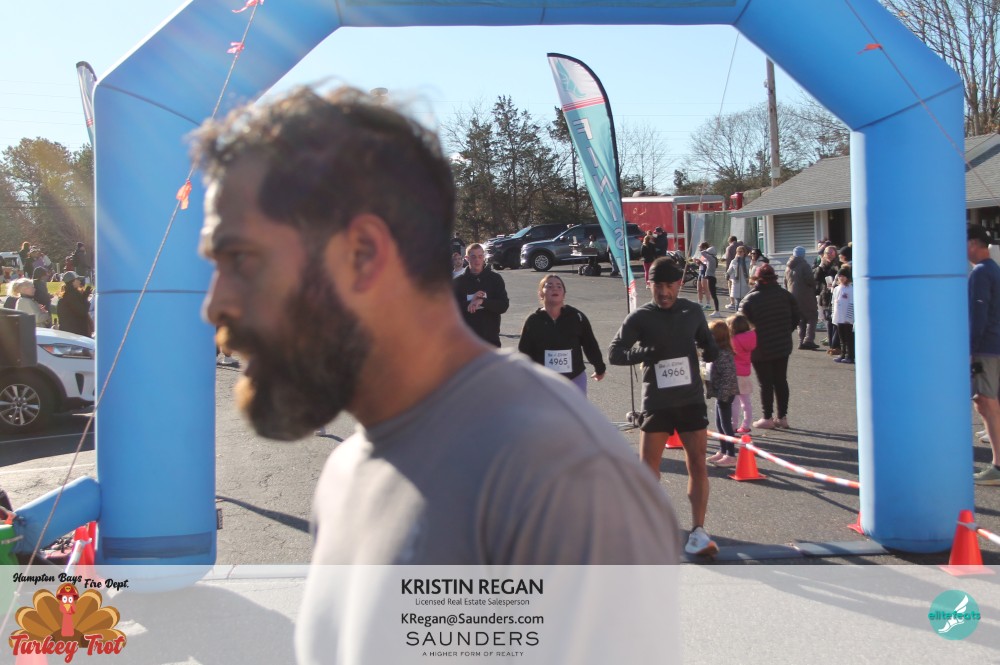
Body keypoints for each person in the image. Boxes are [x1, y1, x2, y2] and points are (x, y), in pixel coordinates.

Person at [193, 87, 680, 620]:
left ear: (363, 254)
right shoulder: (346, 476)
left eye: (242, 259)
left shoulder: (555, 474)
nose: (214, 306)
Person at [609, 257, 719, 557]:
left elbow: (707, 342)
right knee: (648, 471)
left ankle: (698, 531)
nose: (664, 292)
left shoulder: (692, 311)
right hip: (657, 402)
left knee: (698, 463)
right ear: (650, 285)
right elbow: (615, 353)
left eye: (669, 285)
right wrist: (645, 352)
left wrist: (712, 349)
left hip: (690, 400)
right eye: (658, 285)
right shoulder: (641, 317)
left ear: (679, 284)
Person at [518, 275, 606, 395]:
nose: (555, 288)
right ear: (541, 294)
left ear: (564, 294)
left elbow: (590, 345)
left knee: (575, 408)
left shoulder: (577, 317)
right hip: (543, 381)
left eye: (559, 286)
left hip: (574, 378)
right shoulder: (533, 320)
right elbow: (524, 352)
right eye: (549, 286)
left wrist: (599, 368)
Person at [739, 263, 799, 429]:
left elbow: (740, 324)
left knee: (765, 383)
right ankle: (782, 416)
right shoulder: (786, 296)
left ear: (757, 279)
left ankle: (767, 417)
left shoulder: (750, 299)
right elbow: (796, 317)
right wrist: (786, 330)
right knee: (781, 380)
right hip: (782, 343)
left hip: (759, 346)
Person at [967, 224, 1000, 485]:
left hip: (986, 348)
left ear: (973, 243)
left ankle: (998, 466)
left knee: (986, 401)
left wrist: (969, 350)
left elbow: (978, 316)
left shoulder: (980, 273)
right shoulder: (993, 269)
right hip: (992, 346)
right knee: (985, 401)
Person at [453, 242, 509, 346]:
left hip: (491, 341)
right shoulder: (458, 282)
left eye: (480, 256)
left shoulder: (495, 279)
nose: (477, 260)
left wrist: (482, 301)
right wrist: (470, 302)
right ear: (467, 258)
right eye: (473, 257)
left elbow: (503, 306)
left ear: (484, 257)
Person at [705, 320, 739, 467]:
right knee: (719, 423)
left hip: (725, 394)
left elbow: (728, 377)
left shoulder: (724, 354)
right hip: (720, 393)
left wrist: (723, 395)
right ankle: (723, 450)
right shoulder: (717, 352)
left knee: (726, 425)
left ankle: (731, 455)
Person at [785, 245, 820, 350]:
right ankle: (808, 340)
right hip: (806, 295)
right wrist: (815, 286)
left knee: (800, 319)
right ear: (803, 255)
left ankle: (801, 341)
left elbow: (785, 283)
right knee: (812, 317)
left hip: (793, 296)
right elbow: (810, 280)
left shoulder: (788, 267)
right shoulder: (805, 266)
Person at [728, 313, 756, 434]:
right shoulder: (751, 338)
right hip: (745, 374)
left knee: (734, 403)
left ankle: (733, 425)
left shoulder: (732, 340)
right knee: (746, 402)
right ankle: (746, 425)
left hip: (733, 373)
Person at [814, 245, 841, 354]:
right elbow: (816, 279)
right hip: (825, 295)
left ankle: (836, 345)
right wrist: (820, 266)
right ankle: (832, 345)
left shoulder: (838, 265)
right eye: (826, 253)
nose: (828, 255)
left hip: (837, 295)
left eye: (831, 253)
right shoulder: (821, 266)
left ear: (835, 254)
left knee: (837, 321)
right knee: (828, 321)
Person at [56, 271, 93, 337]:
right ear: (73, 282)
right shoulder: (72, 296)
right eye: (77, 279)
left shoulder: (68, 295)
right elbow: (83, 311)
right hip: (75, 335)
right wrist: (85, 300)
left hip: (70, 333)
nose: (79, 281)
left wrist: (85, 295)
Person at [831, 266, 855, 364]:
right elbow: (833, 302)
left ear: (847, 277)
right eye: (840, 276)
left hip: (847, 318)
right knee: (841, 338)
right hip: (839, 317)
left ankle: (850, 356)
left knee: (848, 338)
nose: (841, 278)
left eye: (843, 276)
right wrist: (833, 315)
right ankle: (843, 354)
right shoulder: (837, 289)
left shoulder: (851, 289)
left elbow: (852, 303)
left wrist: (849, 317)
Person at [698, 241, 721, 316]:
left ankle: (717, 311)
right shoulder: (713, 258)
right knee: (713, 295)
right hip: (711, 277)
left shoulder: (711, 258)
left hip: (711, 277)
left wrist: (706, 250)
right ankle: (716, 311)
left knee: (713, 295)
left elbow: (702, 253)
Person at [726, 244, 752, 308]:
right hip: (736, 283)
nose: (739, 253)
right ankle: (737, 312)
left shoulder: (748, 261)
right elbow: (730, 270)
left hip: (745, 282)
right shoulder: (734, 261)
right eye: (738, 252)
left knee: (745, 302)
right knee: (737, 302)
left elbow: (750, 270)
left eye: (740, 252)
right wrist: (727, 274)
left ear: (744, 252)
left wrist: (742, 262)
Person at [723, 236, 739, 308]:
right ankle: (739, 302)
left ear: (730, 241)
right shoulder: (743, 246)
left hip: (732, 268)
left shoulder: (729, 248)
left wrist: (727, 272)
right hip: (742, 268)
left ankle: (732, 303)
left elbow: (728, 260)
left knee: (731, 286)